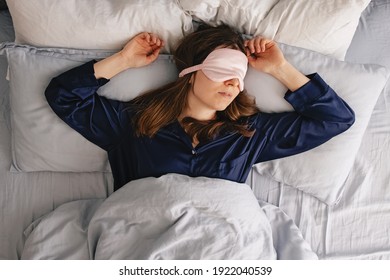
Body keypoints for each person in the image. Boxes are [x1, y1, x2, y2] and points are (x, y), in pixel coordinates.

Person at [45, 25, 355, 191]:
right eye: (223, 71)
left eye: (240, 77)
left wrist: (281, 70)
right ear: (190, 73)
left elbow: (336, 119)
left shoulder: (252, 133)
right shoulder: (132, 124)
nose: (233, 84)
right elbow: (63, 95)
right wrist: (124, 60)